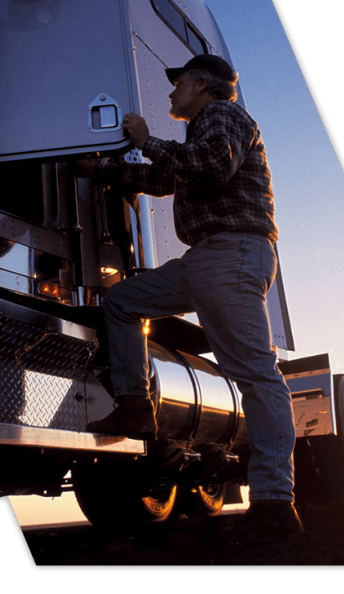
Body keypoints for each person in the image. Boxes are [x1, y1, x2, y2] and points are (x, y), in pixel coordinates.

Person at [85, 54, 303, 540]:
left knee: (257, 376)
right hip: (209, 258)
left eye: (178, 82)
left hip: (232, 253)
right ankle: (136, 406)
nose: (171, 92)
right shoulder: (203, 128)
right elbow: (167, 179)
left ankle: (275, 501)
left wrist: (146, 141)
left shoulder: (223, 115)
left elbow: (212, 166)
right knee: (122, 302)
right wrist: (106, 172)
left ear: (202, 85)